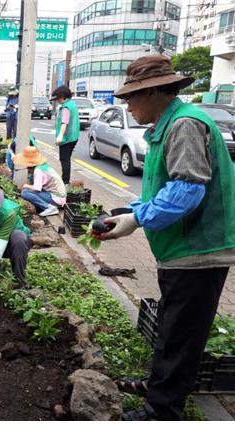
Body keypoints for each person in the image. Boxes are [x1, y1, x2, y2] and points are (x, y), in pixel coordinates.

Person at [92, 56, 235, 421]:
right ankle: (158, 385)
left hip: (198, 250)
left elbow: (187, 191)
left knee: (181, 337)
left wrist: (137, 219)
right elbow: (162, 187)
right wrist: (127, 211)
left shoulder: (184, 124)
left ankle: (161, 410)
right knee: (173, 327)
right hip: (180, 248)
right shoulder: (166, 124)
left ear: (153, 91)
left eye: (131, 98)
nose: (128, 106)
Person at [15, 146, 66, 217]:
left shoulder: (38, 171)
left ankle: (49, 207)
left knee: (25, 193)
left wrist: (26, 186)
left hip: (57, 198)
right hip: (58, 196)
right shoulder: (43, 166)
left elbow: (37, 188)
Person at [50, 85, 80, 184]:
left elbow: (65, 123)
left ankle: (65, 182)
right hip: (73, 137)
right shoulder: (72, 104)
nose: (57, 100)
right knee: (66, 159)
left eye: (58, 98)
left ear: (63, 96)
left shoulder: (66, 107)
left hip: (67, 138)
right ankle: (65, 180)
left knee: (64, 159)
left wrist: (60, 136)